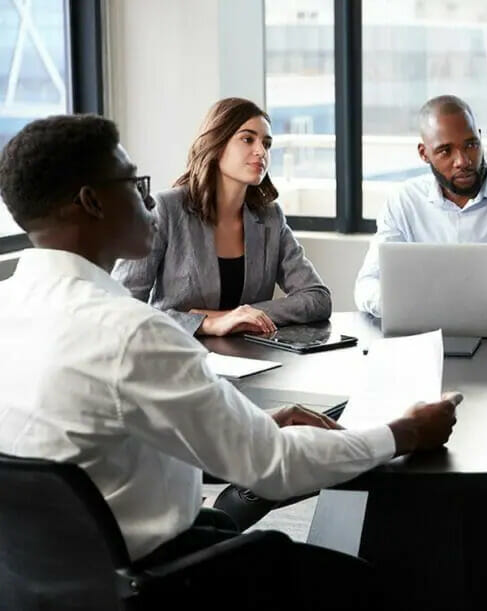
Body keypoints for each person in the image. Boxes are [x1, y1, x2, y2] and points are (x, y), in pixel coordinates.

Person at [0, 114, 458, 609]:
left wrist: (248, 423)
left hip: (52, 580)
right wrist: (406, 432)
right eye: (134, 184)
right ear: (91, 202)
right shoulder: (133, 331)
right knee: (382, 587)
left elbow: (99, 433)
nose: (149, 199)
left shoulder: (9, 306)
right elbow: (274, 467)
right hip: (165, 581)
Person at [113, 97, 331, 338]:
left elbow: (317, 298)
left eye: (267, 144)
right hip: (178, 357)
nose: (261, 152)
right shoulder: (166, 208)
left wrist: (239, 315)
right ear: (216, 145)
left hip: (253, 361)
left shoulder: (270, 217)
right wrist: (204, 323)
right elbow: (122, 309)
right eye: (248, 139)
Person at [354, 94, 487, 316]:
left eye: (471, 145)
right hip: (425, 338)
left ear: (480, 138)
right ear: (424, 154)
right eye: (445, 151)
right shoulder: (403, 201)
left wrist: (421, 303)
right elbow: (367, 286)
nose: (462, 161)